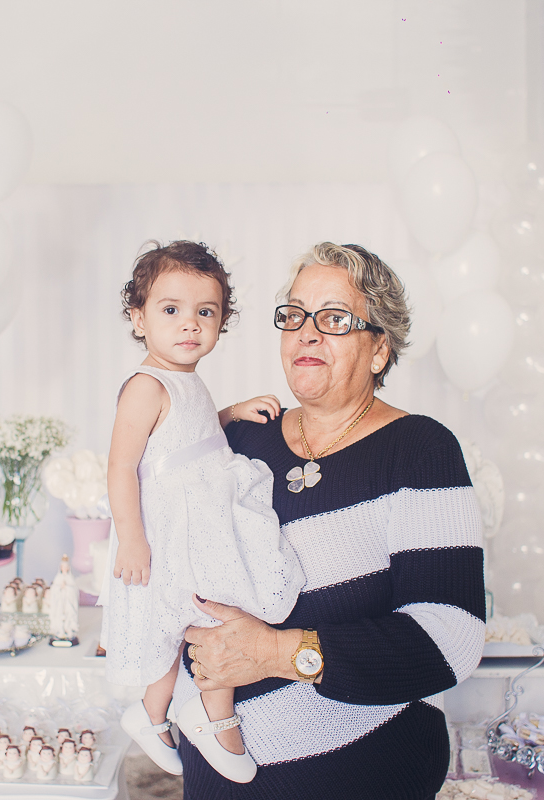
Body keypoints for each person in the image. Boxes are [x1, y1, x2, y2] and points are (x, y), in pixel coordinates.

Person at [179, 243, 486, 800]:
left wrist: (275, 653)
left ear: (379, 350)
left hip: (366, 773)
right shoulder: (243, 439)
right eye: (294, 315)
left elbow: (451, 636)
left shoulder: (420, 449)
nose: (306, 333)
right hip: (220, 774)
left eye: (335, 319)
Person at [101, 240, 305, 783]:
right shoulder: (145, 385)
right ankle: (197, 715)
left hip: (205, 520)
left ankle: (162, 713)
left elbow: (181, 435)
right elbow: (123, 466)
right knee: (188, 617)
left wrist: (230, 412)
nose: (190, 325)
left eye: (205, 312)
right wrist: (131, 539)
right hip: (172, 530)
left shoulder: (184, 380)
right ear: (138, 318)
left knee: (217, 609)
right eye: (171, 310)